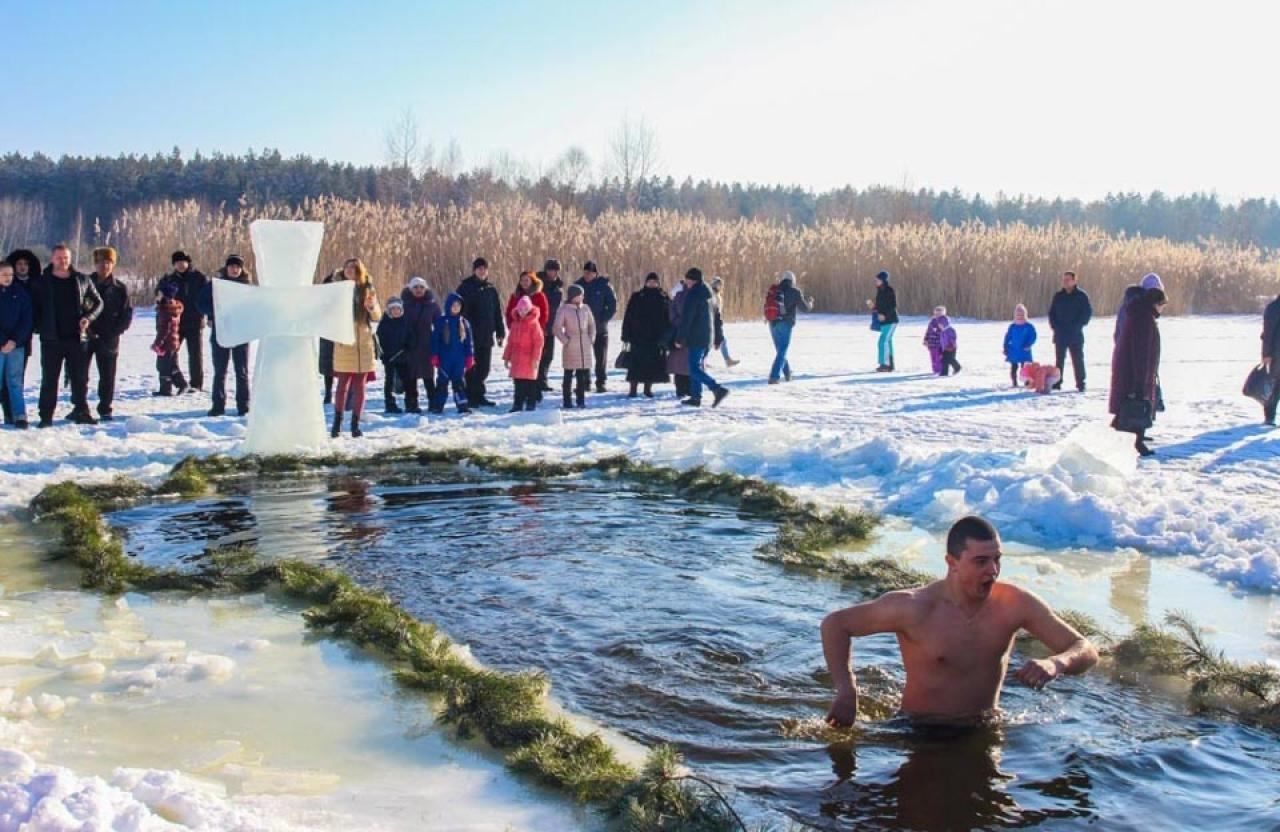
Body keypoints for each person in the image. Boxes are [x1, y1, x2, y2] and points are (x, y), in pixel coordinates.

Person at [822, 515, 1098, 725]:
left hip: (984, 727)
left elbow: (1085, 649)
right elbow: (835, 625)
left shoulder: (1014, 604)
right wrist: (847, 690)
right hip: (918, 729)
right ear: (951, 562)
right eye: (981, 562)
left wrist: (1056, 663)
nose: (993, 571)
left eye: (997, 560)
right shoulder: (914, 608)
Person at [32, 243, 103, 427]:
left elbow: (98, 303)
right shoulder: (42, 281)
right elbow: (33, 308)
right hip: (51, 340)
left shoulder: (82, 279)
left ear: (70, 259)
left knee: (80, 379)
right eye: (59, 258)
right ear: (52, 259)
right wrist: (40, 326)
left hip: (77, 339)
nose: (63, 261)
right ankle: (46, 416)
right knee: (49, 380)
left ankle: (81, 411)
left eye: (66, 258)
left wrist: (88, 318)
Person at [1110, 279, 1165, 457]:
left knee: (1127, 408)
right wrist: (1140, 383)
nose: (1162, 309)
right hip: (1135, 372)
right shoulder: (1144, 319)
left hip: (1129, 369)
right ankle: (1135, 443)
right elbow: (1141, 352)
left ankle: (1128, 440)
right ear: (1155, 303)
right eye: (1162, 305)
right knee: (1136, 406)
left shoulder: (1138, 313)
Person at [330, 258, 381, 438]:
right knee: (342, 384)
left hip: (364, 342)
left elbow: (377, 316)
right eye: (347, 267)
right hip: (345, 340)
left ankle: (355, 424)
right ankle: (337, 423)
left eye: (354, 268)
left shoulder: (367, 289)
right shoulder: (337, 290)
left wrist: (371, 306)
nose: (350, 270)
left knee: (360, 385)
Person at [83, 246, 133, 420]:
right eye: (100, 262)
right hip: (86, 336)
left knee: (107, 376)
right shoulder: (84, 283)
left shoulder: (120, 288)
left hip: (109, 338)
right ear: (95, 264)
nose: (104, 266)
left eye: (108, 262)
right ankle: (80, 407)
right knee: (81, 375)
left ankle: (105, 408)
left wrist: (115, 331)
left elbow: (126, 314)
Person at [199, 254, 251, 417]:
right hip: (221, 331)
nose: (234, 269)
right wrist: (213, 314)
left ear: (241, 269)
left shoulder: (247, 286)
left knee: (241, 371)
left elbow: (256, 307)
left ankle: (244, 405)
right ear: (226, 268)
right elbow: (200, 302)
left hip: (241, 332)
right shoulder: (216, 284)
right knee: (220, 370)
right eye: (231, 266)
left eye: (237, 267)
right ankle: (218, 405)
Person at [674, 268, 729, 408]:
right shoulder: (710, 293)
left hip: (696, 336)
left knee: (693, 368)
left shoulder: (693, 295)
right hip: (707, 337)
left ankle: (717, 389)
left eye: (687, 279)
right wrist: (718, 337)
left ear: (692, 280)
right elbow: (717, 317)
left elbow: (687, 318)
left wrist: (680, 338)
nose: (685, 282)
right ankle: (695, 397)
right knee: (697, 367)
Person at [456, 257, 504, 407]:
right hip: (470, 335)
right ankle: (471, 396)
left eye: (484, 269)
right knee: (471, 367)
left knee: (484, 368)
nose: (482, 271)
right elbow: (458, 310)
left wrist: (500, 331)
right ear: (474, 270)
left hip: (486, 334)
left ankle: (479, 395)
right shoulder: (465, 287)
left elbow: (497, 312)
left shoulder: (491, 289)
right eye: (479, 269)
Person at [157, 251, 208, 391]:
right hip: (175, 323)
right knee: (170, 353)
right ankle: (176, 381)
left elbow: (208, 297)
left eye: (183, 262)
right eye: (177, 262)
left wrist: (205, 314)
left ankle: (196, 384)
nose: (180, 265)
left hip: (195, 321)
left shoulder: (199, 277)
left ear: (188, 262)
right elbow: (159, 296)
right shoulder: (169, 279)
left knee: (195, 354)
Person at [0, 250, 39, 423]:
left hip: (17, 346)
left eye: (10, 274)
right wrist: (3, 341)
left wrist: (15, 340)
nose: (7, 278)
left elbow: (27, 320)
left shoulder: (21, 293)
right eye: (3, 274)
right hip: (0, 345)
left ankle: (19, 415)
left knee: (15, 382)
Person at [621, 272, 671, 398]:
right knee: (635, 365)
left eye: (654, 282)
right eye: (650, 282)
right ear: (645, 282)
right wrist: (626, 335)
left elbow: (669, 319)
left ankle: (647, 389)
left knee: (652, 365)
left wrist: (667, 337)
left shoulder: (663, 297)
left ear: (658, 283)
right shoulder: (637, 296)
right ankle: (633, 389)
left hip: (656, 338)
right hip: (638, 337)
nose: (652, 284)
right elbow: (628, 317)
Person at [400, 276, 441, 414]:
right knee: (410, 376)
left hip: (426, 343)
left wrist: (440, 341)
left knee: (428, 375)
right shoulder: (403, 304)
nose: (418, 290)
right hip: (409, 344)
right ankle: (411, 403)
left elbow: (439, 325)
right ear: (410, 289)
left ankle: (433, 402)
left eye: (421, 287)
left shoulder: (432, 305)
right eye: (415, 287)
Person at [575, 261, 617, 392]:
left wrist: (603, 319)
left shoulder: (604, 285)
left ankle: (601, 382)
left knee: (601, 357)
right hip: (582, 328)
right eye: (585, 272)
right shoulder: (578, 285)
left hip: (599, 328)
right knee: (583, 357)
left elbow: (612, 305)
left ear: (595, 273)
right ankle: (584, 383)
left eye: (590, 273)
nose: (587, 275)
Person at [430, 292, 474, 415]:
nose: (456, 308)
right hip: (445, 359)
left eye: (458, 305)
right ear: (448, 306)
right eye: (453, 305)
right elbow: (435, 340)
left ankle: (462, 405)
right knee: (442, 383)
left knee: (458, 383)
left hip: (459, 359)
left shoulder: (464, 323)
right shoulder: (441, 322)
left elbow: (468, 342)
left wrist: (470, 356)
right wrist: (434, 355)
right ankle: (438, 405)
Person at [767, 271, 814, 384]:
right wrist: (811, 302)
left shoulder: (774, 290)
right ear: (792, 280)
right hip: (785, 324)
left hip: (772, 323)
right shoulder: (794, 291)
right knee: (783, 350)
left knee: (780, 350)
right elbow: (805, 308)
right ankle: (774, 376)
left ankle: (788, 373)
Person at [1048, 270, 1092, 392]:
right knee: (1059, 360)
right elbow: (1052, 313)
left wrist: (1078, 326)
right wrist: (1054, 326)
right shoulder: (1058, 296)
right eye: (1064, 280)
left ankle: (1081, 383)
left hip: (1075, 333)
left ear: (1074, 281)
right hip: (1060, 333)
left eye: (1068, 280)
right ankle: (1057, 383)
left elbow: (1087, 313)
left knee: (1078, 359)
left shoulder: (1081, 296)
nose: (1065, 282)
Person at [553, 283, 595, 409]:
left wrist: (590, 338)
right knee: (568, 375)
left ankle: (580, 400)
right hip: (571, 346)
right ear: (574, 296)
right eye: (580, 295)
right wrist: (566, 341)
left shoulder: (586, 308)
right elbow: (556, 328)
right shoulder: (564, 309)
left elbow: (592, 325)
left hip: (584, 346)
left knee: (582, 376)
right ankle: (567, 400)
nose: (582, 297)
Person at [503, 294, 545, 412]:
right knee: (518, 384)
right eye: (520, 309)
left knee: (530, 383)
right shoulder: (515, 324)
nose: (522, 312)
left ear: (530, 309)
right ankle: (517, 404)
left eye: (525, 309)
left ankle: (531, 403)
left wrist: (536, 359)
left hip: (529, 359)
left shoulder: (534, 324)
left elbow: (539, 343)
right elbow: (510, 342)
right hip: (517, 360)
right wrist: (507, 357)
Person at [151, 283, 188, 395]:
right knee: (170, 365)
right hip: (173, 342)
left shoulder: (166, 311)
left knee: (164, 366)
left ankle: (174, 386)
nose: (157, 296)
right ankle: (175, 386)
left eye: (159, 294)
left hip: (167, 344)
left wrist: (157, 343)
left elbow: (164, 330)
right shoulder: (171, 308)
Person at [376, 297, 410, 414]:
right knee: (389, 380)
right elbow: (379, 341)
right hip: (389, 357)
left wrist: (408, 346)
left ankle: (410, 403)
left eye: (398, 309)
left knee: (407, 380)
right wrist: (383, 354)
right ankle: (390, 403)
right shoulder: (384, 323)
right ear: (389, 310)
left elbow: (411, 336)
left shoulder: (405, 321)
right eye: (393, 309)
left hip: (403, 356)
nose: (396, 311)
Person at [536, 259, 564, 394]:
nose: (554, 273)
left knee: (549, 355)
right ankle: (536, 380)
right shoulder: (538, 284)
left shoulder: (558, 286)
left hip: (551, 324)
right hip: (539, 325)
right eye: (551, 270)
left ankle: (542, 379)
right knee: (539, 354)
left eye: (556, 270)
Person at [1003, 304, 1037, 387]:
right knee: (1014, 367)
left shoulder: (1028, 326)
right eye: (1018, 315)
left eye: (1022, 315)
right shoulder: (1013, 326)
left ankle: (1026, 383)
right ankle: (1014, 382)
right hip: (1014, 351)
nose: (1020, 317)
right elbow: (1007, 337)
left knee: (1025, 368)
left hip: (1024, 350)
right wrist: (1005, 347)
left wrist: (1029, 344)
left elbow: (1033, 336)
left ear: (1025, 315)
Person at [870, 270, 898, 372]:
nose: (876, 281)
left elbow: (892, 306)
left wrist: (885, 315)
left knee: (883, 341)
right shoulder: (880, 291)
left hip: (890, 320)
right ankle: (890, 364)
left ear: (883, 280)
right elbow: (880, 305)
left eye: (878, 280)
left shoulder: (889, 290)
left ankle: (885, 364)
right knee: (888, 341)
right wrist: (874, 307)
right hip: (884, 320)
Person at [709, 276, 740, 367]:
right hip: (712, 321)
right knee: (717, 340)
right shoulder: (712, 295)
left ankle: (727, 360)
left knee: (720, 340)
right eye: (718, 284)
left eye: (721, 285)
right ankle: (726, 360)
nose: (720, 286)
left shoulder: (718, 295)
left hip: (716, 321)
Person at [667, 281, 691, 397]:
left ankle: (681, 390)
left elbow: (672, 316)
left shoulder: (677, 297)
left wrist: (679, 323)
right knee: (689, 365)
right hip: (690, 335)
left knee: (679, 366)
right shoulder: (696, 296)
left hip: (679, 334)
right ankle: (688, 389)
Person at [1262, 291, 1280, 426]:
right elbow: (1268, 333)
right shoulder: (1274, 308)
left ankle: (1270, 416)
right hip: (1276, 353)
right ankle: (1270, 417)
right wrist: (1266, 354)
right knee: (1274, 385)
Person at [923, 306, 947, 376]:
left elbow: (945, 332)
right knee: (933, 357)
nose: (937, 316)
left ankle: (940, 370)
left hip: (939, 344)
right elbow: (928, 331)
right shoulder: (932, 321)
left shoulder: (944, 322)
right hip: (932, 343)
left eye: (939, 314)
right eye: (936, 314)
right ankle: (935, 369)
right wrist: (925, 339)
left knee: (939, 357)